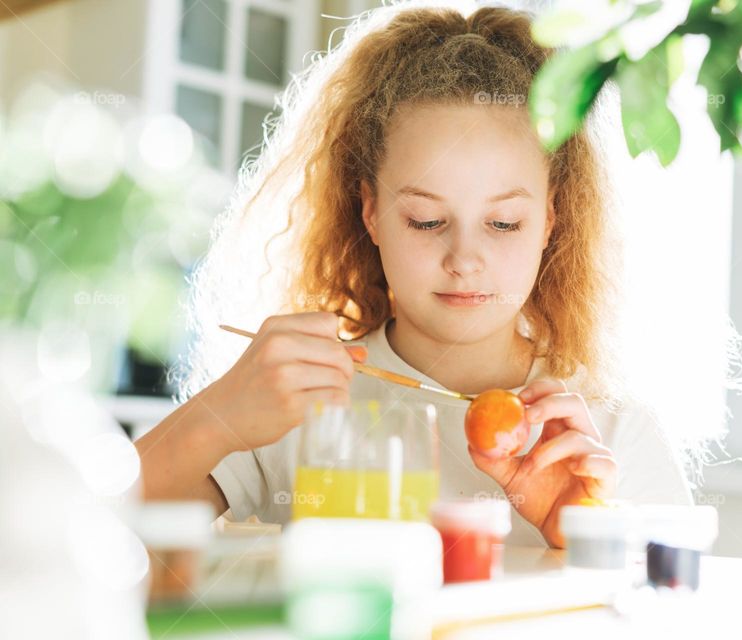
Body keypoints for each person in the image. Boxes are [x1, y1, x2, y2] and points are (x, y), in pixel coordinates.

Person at [135, 1, 693, 548]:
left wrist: (586, 535)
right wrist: (218, 416)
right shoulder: (299, 401)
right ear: (371, 212)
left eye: (502, 222)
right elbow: (85, 527)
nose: (465, 257)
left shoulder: (613, 435)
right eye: (427, 221)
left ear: (550, 220)